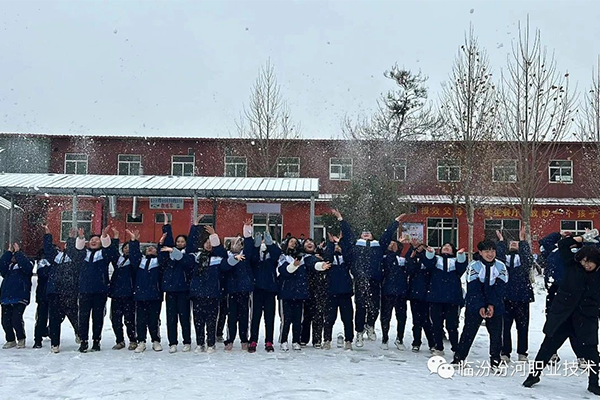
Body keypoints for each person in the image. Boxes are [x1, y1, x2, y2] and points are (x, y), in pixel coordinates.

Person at [523, 230, 600, 395]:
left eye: (590, 263)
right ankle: (533, 375)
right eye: (584, 261)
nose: (587, 265)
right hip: (563, 317)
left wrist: (595, 239)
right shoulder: (572, 266)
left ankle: (593, 383)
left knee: (592, 353)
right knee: (547, 348)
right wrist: (580, 239)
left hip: (586, 319)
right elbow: (564, 244)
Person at [332, 209, 403, 347]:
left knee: (375, 306)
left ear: (372, 236)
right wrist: (340, 218)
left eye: (368, 232)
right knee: (360, 306)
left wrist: (396, 222)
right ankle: (359, 332)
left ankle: (370, 324)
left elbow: (387, 235)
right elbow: (348, 232)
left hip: (375, 279)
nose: (366, 233)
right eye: (364, 232)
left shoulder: (379, 245)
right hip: (360, 279)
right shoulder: (355, 245)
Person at [452, 239, 508, 368]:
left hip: (496, 305)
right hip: (475, 304)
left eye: (493, 251)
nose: (490, 254)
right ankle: (459, 358)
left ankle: (495, 360)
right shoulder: (474, 265)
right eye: (487, 251)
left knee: (496, 334)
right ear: (481, 252)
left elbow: (500, 287)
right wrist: (481, 306)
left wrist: (492, 304)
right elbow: (474, 288)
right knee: (468, 332)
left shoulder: (501, 266)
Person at [74, 226, 118, 352]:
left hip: (100, 291)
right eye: (91, 239)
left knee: (97, 317)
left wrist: (105, 237)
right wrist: (81, 238)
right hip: (84, 291)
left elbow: (111, 252)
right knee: (83, 317)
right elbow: (76, 251)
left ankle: (96, 341)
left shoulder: (104, 254)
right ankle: (83, 341)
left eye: (97, 240)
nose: (93, 241)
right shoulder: (84, 254)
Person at [187, 223, 228, 353]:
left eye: (211, 243)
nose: (208, 244)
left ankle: (211, 343)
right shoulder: (196, 257)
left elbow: (223, 254)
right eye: (206, 242)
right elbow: (189, 248)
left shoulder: (218, 258)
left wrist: (214, 236)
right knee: (198, 320)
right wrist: (194, 227)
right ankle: (200, 343)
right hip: (197, 293)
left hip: (213, 294)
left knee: (211, 320)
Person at [496, 227, 534, 362]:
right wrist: (501, 242)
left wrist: (523, 241)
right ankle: (505, 352)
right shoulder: (503, 261)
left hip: (522, 297)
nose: (513, 243)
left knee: (523, 326)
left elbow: (528, 260)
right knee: (505, 327)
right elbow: (498, 259)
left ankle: (522, 352)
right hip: (505, 298)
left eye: (516, 243)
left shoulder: (523, 261)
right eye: (511, 242)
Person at [423, 242, 468, 357]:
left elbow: (461, 268)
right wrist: (430, 254)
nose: (446, 248)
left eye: (449, 247)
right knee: (436, 325)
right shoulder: (436, 260)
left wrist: (461, 256)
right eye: (444, 247)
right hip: (435, 298)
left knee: (452, 326)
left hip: (452, 299)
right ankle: (438, 347)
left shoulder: (455, 261)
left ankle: (455, 347)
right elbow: (428, 264)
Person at [41, 225, 80, 354]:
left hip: (69, 292)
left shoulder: (74, 258)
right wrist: (47, 234)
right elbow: (47, 249)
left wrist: (72, 238)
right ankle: (55, 343)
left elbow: (73, 251)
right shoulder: (55, 258)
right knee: (54, 319)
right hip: (55, 292)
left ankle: (79, 334)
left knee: (74, 315)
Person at [161, 213, 194, 354]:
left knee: (184, 317)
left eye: (182, 241)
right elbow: (167, 242)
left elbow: (190, 244)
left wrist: (195, 227)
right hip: (170, 290)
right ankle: (172, 342)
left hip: (184, 290)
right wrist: (167, 225)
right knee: (171, 318)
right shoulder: (169, 253)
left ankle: (187, 341)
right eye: (178, 241)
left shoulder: (188, 255)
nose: (180, 243)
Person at [128, 229, 165, 353]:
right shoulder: (140, 262)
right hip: (140, 295)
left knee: (154, 319)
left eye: (153, 248)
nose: (150, 249)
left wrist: (160, 245)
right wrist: (134, 241)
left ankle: (156, 340)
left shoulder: (159, 262)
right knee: (140, 320)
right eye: (148, 248)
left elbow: (163, 256)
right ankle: (141, 341)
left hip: (155, 296)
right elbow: (133, 255)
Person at [222, 219, 254, 351]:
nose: (236, 244)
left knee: (244, 316)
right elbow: (224, 267)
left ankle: (244, 339)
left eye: (239, 243)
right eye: (234, 242)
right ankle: (229, 339)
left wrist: (246, 229)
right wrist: (234, 259)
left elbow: (250, 246)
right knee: (231, 316)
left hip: (244, 290)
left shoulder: (246, 256)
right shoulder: (227, 256)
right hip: (231, 290)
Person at [248, 229, 281, 353]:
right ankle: (253, 340)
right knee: (255, 316)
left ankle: (269, 341)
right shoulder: (256, 256)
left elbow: (277, 255)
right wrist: (256, 246)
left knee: (269, 317)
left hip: (270, 289)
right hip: (257, 289)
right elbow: (252, 259)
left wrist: (270, 244)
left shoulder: (271, 255)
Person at [277, 237, 311, 351]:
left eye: (295, 242)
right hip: (286, 293)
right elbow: (285, 271)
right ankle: (283, 340)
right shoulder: (283, 257)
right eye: (291, 241)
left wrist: (321, 265)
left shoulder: (303, 258)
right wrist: (294, 265)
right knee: (286, 319)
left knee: (298, 319)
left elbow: (312, 264)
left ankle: (296, 340)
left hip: (299, 293)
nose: (293, 244)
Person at [380, 238, 412, 351]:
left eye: (394, 244)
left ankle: (400, 338)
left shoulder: (402, 259)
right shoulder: (385, 257)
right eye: (390, 244)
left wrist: (409, 245)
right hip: (387, 291)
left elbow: (409, 267)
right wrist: (391, 251)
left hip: (401, 291)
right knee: (385, 316)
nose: (392, 246)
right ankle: (385, 338)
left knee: (402, 317)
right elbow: (387, 265)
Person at [323, 232, 354, 350]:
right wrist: (331, 244)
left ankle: (349, 340)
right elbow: (327, 257)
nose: (337, 247)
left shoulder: (346, 260)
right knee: (329, 318)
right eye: (335, 245)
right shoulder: (329, 260)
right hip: (331, 292)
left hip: (345, 293)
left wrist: (341, 243)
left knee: (347, 318)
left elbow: (349, 256)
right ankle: (327, 339)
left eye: (338, 245)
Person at [0, 243, 33, 349]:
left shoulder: (26, 265)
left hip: (20, 296)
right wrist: (8, 253)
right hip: (6, 297)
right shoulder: (8, 268)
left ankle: (21, 338)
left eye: (15, 255)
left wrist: (18, 253)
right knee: (5, 321)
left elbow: (27, 267)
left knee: (16, 318)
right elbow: (1, 266)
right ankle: (10, 339)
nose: (13, 258)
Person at [108, 230, 137, 351]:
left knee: (129, 319)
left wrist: (134, 241)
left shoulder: (135, 261)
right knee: (115, 319)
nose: (127, 249)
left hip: (129, 294)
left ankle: (132, 340)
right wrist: (115, 238)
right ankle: (119, 340)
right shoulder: (119, 261)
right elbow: (113, 253)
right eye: (125, 247)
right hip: (116, 294)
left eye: (130, 248)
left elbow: (136, 255)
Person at [406, 241, 435, 353]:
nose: (418, 248)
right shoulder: (413, 256)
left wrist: (424, 255)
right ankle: (416, 342)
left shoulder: (429, 257)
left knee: (427, 320)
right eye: (416, 246)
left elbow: (430, 267)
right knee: (416, 321)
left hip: (427, 294)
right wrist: (413, 258)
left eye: (420, 246)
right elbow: (409, 270)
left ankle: (432, 343)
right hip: (414, 294)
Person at [300, 238, 328, 348]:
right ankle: (303, 338)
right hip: (306, 289)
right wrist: (320, 264)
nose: (309, 243)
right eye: (306, 242)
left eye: (311, 241)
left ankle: (317, 339)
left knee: (318, 314)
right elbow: (311, 263)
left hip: (319, 289)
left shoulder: (320, 255)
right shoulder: (303, 257)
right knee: (306, 315)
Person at [33, 248, 50, 348]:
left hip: (53, 293)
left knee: (57, 316)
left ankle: (47, 331)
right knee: (41, 318)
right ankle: (38, 339)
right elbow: (44, 274)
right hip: (43, 294)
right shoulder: (42, 263)